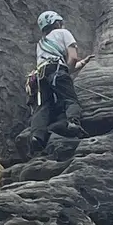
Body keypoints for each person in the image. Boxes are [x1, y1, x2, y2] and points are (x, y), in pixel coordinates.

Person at [29, 8, 89, 140]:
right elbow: (72, 59)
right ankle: (73, 122)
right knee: (70, 99)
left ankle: (36, 136)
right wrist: (67, 73)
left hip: (41, 74)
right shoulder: (63, 33)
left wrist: (82, 63)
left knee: (43, 106)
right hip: (57, 70)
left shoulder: (41, 44)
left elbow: (58, 68)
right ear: (56, 23)